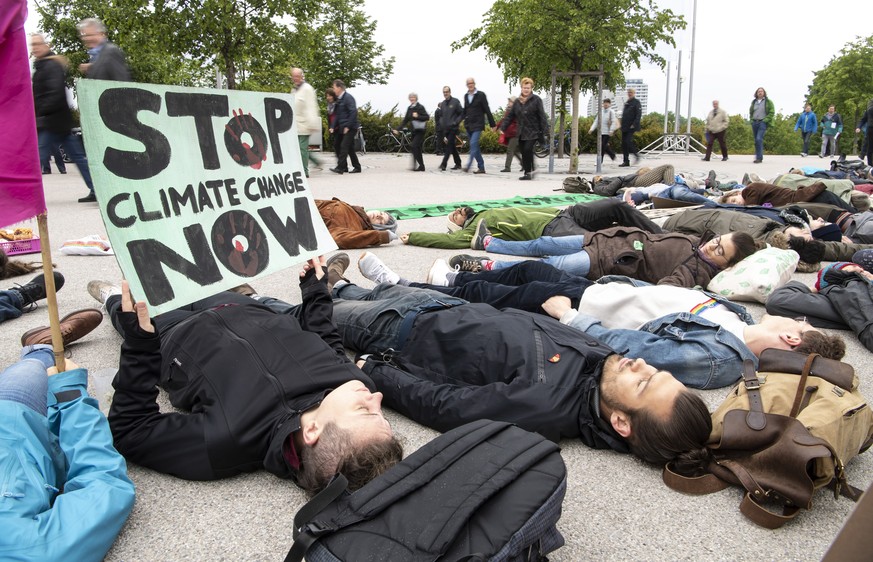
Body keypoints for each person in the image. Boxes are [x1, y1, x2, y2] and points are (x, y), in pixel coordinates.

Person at [92, 258, 402, 492]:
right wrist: (315, 291)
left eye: (365, 410)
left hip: (171, 332)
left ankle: (109, 299)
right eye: (381, 413)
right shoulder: (353, 384)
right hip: (241, 306)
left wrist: (140, 346)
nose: (376, 398)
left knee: (130, 305)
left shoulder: (228, 442)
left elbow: (131, 431)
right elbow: (326, 341)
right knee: (187, 266)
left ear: (313, 432)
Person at [327, 279, 712, 466]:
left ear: (622, 423)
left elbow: (450, 408)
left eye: (643, 383)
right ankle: (340, 286)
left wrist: (379, 372)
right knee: (356, 293)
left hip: (400, 330)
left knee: (310, 314)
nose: (640, 364)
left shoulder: (546, 405)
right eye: (655, 370)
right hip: (441, 305)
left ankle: (272, 303)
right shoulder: (606, 367)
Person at [350, 254, 843, 389]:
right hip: (603, 291)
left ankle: (393, 285)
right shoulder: (737, 315)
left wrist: (574, 318)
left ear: (792, 337)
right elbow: (662, 297)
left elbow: (638, 351)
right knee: (509, 281)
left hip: (581, 311)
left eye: (794, 321)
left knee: (483, 300)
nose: (789, 310)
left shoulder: (721, 359)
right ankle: (403, 285)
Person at [0, 349, 135, 560]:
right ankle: (41, 347)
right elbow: (102, 486)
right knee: (37, 364)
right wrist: (69, 396)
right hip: (17, 419)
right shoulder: (30, 553)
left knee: (34, 365)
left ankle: (41, 347)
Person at [454, 228, 757, 288]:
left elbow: (667, 288)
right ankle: (491, 242)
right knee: (543, 243)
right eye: (717, 242)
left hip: (608, 261)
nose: (712, 248)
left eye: (720, 252)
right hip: (605, 239)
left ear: (727, 265)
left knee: (549, 265)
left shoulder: (696, 273)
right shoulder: (697, 241)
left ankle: (488, 266)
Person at [401, 198, 662, 249]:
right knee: (598, 244)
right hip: (551, 229)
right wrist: (414, 236)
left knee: (616, 205)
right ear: (460, 226)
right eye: (455, 215)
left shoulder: (486, 210)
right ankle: (654, 250)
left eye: (456, 210)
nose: (458, 211)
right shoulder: (476, 228)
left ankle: (663, 235)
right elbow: (447, 240)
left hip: (566, 212)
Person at [30, 33, 97, 203]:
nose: (35, 48)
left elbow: (54, 92)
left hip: (51, 121)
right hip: (58, 121)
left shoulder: (50, 65)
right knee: (77, 157)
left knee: (38, 156)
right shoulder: (44, 65)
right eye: (33, 45)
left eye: (38, 44)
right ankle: (96, 189)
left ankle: (28, 194)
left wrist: (40, 113)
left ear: (45, 45)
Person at [766, 261, 873, 352]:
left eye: (862, 269)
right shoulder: (846, 290)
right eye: (856, 269)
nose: (864, 271)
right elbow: (778, 301)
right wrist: (814, 288)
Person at [500, 77, 548, 181]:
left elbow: (542, 116)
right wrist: (503, 127)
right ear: (521, 88)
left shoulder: (536, 100)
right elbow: (510, 116)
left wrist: (544, 130)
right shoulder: (517, 102)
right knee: (524, 152)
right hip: (521, 132)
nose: (526, 90)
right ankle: (528, 172)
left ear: (531, 88)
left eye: (528, 88)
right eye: (524, 87)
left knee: (527, 149)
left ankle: (530, 170)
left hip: (533, 131)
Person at [719, 180, 855, 211]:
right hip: (810, 200)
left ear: (737, 193)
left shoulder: (750, 189)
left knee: (854, 217)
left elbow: (751, 209)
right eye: (732, 205)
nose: (736, 203)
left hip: (813, 197)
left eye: (733, 200)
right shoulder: (754, 196)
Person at [316, 198, 397, 249]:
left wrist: (381, 236)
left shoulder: (357, 228)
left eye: (381, 221)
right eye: (381, 213)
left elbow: (340, 239)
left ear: (378, 229)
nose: (379, 216)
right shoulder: (356, 211)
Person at [291, 68, 322, 178]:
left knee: (302, 148)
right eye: (293, 76)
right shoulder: (294, 90)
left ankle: (304, 171)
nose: (295, 78)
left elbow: (311, 107)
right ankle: (315, 160)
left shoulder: (307, 89)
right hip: (295, 123)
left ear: (301, 76)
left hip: (305, 123)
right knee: (299, 147)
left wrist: (312, 123)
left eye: (297, 76)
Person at [462, 77, 495, 174]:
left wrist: (492, 124)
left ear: (474, 84)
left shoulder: (481, 95)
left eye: (472, 83)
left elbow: (487, 109)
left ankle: (468, 165)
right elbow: (465, 111)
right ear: (467, 85)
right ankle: (481, 167)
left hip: (478, 125)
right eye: (468, 83)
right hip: (469, 125)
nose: (470, 85)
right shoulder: (466, 96)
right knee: (475, 146)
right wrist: (456, 121)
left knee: (473, 144)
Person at [330, 79, 362, 174]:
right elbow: (337, 115)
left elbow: (353, 112)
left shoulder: (348, 98)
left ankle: (341, 168)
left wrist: (348, 126)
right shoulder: (339, 100)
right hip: (342, 127)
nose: (333, 89)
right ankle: (357, 167)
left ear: (339, 88)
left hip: (350, 127)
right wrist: (332, 126)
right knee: (348, 148)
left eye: (334, 87)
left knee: (343, 146)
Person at [589, 164, 676, 197]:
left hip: (634, 182)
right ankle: (672, 188)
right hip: (634, 182)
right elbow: (608, 191)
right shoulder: (599, 185)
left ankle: (672, 187)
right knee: (668, 167)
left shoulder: (603, 182)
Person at [395, 92, 429, 172]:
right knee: (416, 148)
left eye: (413, 97)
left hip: (420, 131)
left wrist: (418, 116)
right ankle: (417, 166)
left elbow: (427, 117)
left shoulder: (420, 107)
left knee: (413, 146)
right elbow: (405, 120)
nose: (412, 99)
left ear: (416, 98)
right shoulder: (409, 108)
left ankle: (421, 165)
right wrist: (398, 129)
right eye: (410, 97)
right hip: (414, 131)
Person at [437, 86, 464, 171]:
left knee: (449, 146)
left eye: (447, 92)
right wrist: (442, 125)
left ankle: (443, 164)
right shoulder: (443, 104)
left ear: (450, 92)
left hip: (454, 128)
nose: (445, 93)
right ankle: (458, 163)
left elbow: (462, 113)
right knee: (452, 146)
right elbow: (441, 116)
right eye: (444, 92)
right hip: (446, 129)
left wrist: (456, 122)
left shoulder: (455, 102)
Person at [749, 87, 774, 163]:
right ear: (756, 93)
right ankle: (758, 156)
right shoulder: (754, 102)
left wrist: (765, 120)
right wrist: (751, 120)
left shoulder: (768, 102)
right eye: (758, 91)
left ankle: (759, 158)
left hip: (762, 122)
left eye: (761, 91)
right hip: (755, 122)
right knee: (756, 141)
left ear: (764, 93)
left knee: (759, 139)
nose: (760, 92)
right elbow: (751, 112)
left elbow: (772, 112)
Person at [619, 87, 642, 167]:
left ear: (634, 93)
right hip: (625, 126)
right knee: (624, 144)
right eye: (628, 92)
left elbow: (638, 115)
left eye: (631, 92)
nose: (629, 94)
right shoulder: (627, 103)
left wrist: (634, 124)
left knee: (627, 141)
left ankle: (637, 155)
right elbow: (624, 114)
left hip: (631, 126)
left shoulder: (636, 102)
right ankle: (626, 161)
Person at [589, 98, 617, 162]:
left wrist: (611, 130)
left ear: (609, 104)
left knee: (602, 146)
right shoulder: (600, 112)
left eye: (607, 103)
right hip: (601, 132)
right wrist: (592, 129)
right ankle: (612, 155)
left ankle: (599, 161)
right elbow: (596, 121)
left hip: (607, 132)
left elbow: (613, 121)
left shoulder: (611, 112)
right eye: (604, 103)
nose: (605, 104)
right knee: (603, 145)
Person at [498, 96, 522, 172]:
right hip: (509, 133)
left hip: (515, 133)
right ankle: (524, 164)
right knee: (515, 151)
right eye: (509, 101)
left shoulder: (516, 111)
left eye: (510, 101)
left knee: (510, 150)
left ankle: (507, 167)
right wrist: (498, 126)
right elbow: (504, 120)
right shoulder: (508, 110)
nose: (508, 103)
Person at [855, 99, 873, 166]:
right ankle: (870, 164)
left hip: (870, 129)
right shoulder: (869, 110)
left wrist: (859, 127)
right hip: (871, 129)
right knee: (870, 147)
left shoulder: (869, 110)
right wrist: (858, 127)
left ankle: (870, 164)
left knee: (870, 147)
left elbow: (863, 120)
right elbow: (863, 119)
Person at [325, 88, 340, 161]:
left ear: (333, 96)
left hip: (339, 127)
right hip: (333, 129)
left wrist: (333, 126)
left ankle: (341, 165)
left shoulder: (337, 104)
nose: (328, 97)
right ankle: (343, 165)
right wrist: (330, 127)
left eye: (330, 96)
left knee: (337, 145)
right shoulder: (329, 105)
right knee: (337, 146)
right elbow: (329, 118)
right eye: (327, 96)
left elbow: (337, 116)